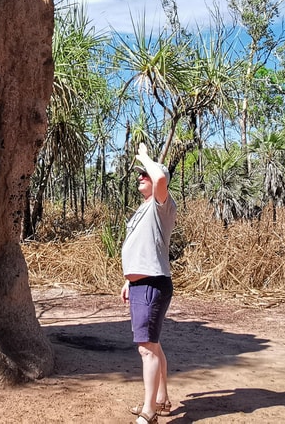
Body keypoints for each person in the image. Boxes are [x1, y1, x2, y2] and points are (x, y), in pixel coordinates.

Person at [121, 143, 178, 424]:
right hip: (140, 284)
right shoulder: (143, 210)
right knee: (153, 345)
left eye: (145, 173)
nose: (141, 176)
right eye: (139, 173)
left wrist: (145, 156)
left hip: (153, 284)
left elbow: (160, 179)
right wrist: (128, 280)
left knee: (146, 348)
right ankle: (161, 400)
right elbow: (140, 248)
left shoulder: (161, 206)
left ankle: (149, 412)